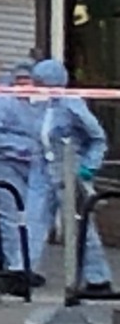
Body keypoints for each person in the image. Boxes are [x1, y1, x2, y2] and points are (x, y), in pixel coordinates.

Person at [25, 58, 113, 294]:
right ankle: (24, 270)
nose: (35, 87)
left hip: (69, 172)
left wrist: (88, 167)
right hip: (43, 171)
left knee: (80, 226)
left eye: (39, 82)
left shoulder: (72, 105)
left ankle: (98, 278)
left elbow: (97, 138)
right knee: (33, 220)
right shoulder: (40, 106)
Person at [0, 61, 41, 281]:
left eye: (29, 80)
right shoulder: (3, 101)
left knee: (30, 215)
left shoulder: (40, 103)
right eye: (21, 80)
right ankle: (15, 268)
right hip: (5, 165)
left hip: (35, 166)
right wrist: (23, 148)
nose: (25, 85)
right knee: (12, 214)